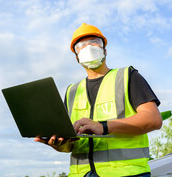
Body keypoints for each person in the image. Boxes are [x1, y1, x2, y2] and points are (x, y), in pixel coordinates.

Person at [35, 23, 162, 177]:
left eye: (94, 42)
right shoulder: (71, 91)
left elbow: (153, 119)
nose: (88, 47)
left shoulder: (128, 76)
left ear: (104, 50)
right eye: (81, 45)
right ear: (76, 57)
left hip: (126, 173)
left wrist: (104, 127)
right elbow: (70, 145)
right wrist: (59, 144)